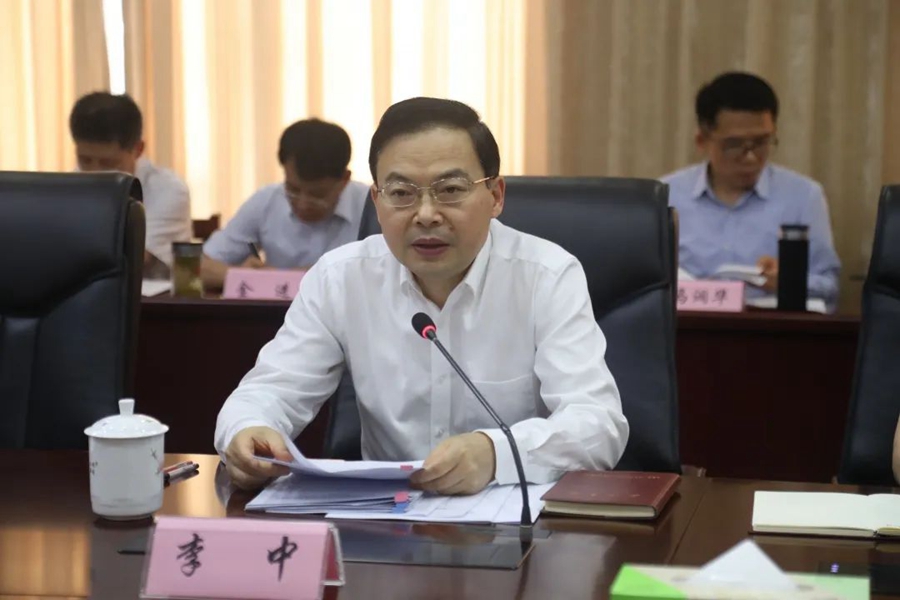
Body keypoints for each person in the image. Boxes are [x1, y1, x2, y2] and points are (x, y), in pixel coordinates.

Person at [214, 97, 628, 493]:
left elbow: (598, 424)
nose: (426, 214)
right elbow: (268, 392)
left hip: (517, 522)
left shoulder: (547, 276)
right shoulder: (339, 278)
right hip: (384, 522)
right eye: (401, 193)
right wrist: (248, 431)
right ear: (377, 201)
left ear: (496, 196)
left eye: (450, 189)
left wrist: (496, 453)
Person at [661, 72, 841, 309]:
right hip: (687, 326)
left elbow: (830, 289)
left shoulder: (803, 196)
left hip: (770, 327)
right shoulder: (667, 195)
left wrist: (788, 281)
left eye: (761, 142)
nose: (750, 157)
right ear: (702, 140)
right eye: (734, 145)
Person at [200, 119, 369, 290]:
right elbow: (199, 266)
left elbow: (379, 276)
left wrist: (286, 278)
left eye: (317, 195)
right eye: (293, 190)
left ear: (344, 180)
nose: (302, 204)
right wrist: (243, 277)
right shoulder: (266, 201)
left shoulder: (372, 206)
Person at [70, 92, 192, 274]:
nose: (94, 172)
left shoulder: (169, 191)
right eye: (85, 160)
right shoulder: (69, 187)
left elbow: (137, 259)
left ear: (138, 150)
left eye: (108, 163)